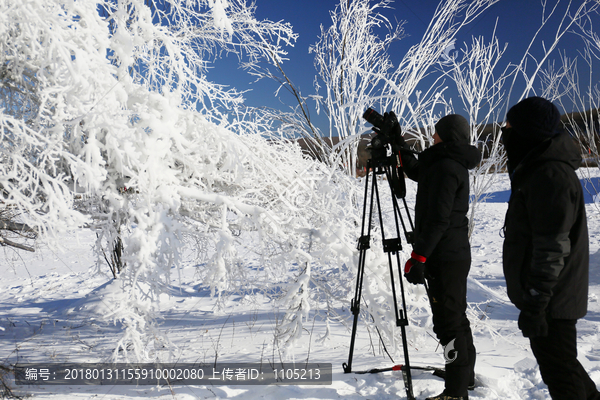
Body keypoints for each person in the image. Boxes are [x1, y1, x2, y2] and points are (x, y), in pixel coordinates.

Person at [501, 96, 600, 400]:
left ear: (528, 132)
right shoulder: (540, 170)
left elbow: (552, 247)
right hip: (551, 296)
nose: (504, 133)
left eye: (510, 127)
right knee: (561, 365)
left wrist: (536, 302)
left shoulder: (549, 175)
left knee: (560, 374)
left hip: (552, 298)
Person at [399, 114, 481, 400]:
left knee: (448, 324)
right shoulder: (445, 162)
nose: (432, 137)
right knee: (455, 318)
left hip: (444, 254)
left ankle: (455, 392)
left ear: (446, 136)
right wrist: (399, 143)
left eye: (436, 134)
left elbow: (438, 220)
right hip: (451, 252)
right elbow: (416, 171)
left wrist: (419, 256)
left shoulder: (446, 167)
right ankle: (463, 375)